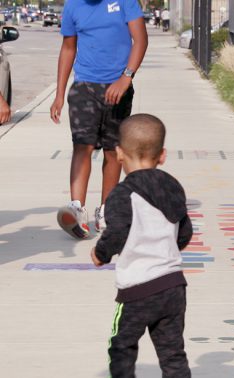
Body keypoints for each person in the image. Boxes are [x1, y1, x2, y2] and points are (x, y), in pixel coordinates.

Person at [91, 114, 193, 378]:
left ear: (120, 154)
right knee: (173, 354)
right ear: (162, 155)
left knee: (122, 347)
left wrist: (100, 253)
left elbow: (117, 232)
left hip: (137, 290)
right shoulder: (173, 188)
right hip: (173, 285)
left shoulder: (122, 194)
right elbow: (184, 232)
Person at [50, 0, 148, 239]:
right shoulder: (73, 6)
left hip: (119, 87)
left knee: (113, 150)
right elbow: (68, 48)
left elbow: (141, 40)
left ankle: (106, 209)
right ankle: (76, 208)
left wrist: (125, 78)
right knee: (82, 144)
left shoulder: (125, 2)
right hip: (84, 86)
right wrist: (59, 94)